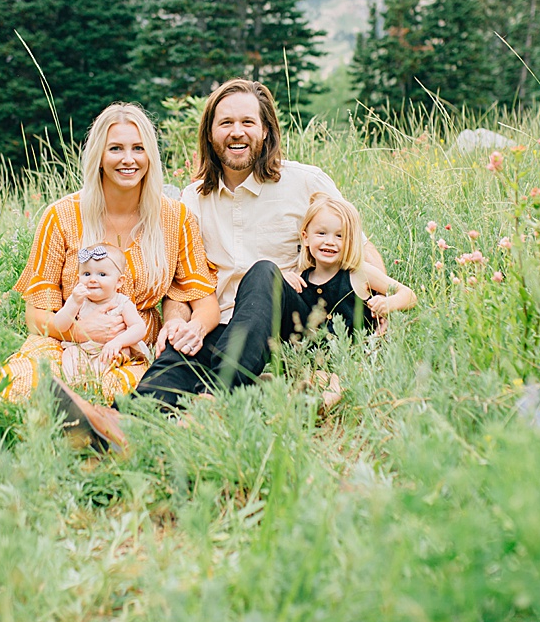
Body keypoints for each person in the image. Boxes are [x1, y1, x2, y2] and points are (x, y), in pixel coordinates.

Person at [57, 80, 389, 448]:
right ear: (211, 134)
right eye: (225, 123)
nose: (237, 132)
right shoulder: (193, 200)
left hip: (296, 321)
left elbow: (359, 244)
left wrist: (380, 301)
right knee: (181, 348)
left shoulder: (304, 181)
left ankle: (215, 403)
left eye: (248, 122)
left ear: (265, 131)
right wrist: (177, 323)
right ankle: (124, 425)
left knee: (263, 272)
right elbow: (183, 288)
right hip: (226, 325)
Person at [0, 103, 218, 409]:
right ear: (99, 156)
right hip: (62, 343)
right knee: (23, 386)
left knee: (126, 400)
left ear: (150, 156)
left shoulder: (176, 218)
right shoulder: (61, 217)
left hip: (131, 350)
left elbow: (204, 301)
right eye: (116, 148)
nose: (128, 160)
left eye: (138, 148)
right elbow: (35, 317)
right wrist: (80, 331)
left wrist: (190, 328)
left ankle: (94, 435)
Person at [292, 192, 417, 338]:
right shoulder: (301, 279)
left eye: (340, 236)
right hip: (318, 356)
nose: (330, 241)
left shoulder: (359, 273)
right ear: (306, 238)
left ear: (351, 241)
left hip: (360, 354)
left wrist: (388, 303)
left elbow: (409, 295)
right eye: (321, 233)